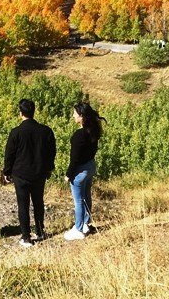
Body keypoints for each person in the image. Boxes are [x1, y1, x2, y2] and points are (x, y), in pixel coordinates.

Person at [3, 98, 56, 248]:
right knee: (38, 203)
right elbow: (52, 153)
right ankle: (40, 231)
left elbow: (9, 154)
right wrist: (49, 168)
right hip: (39, 173)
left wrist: (7, 171)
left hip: (20, 174)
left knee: (23, 205)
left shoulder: (16, 132)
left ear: (21, 113)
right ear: (34, 111)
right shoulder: (46, 131)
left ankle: (26, 237)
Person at [64, 102, 106, 241]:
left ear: (82, 116)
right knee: (86, 197)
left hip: (80, 170)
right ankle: (86, 223)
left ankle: (78, 229)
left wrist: (68, 174)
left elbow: (74, 159)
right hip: (90, 166)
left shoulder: (79, 135)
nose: (73, 115)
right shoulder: (93, 130)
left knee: (79, 201)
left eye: (75, 113)